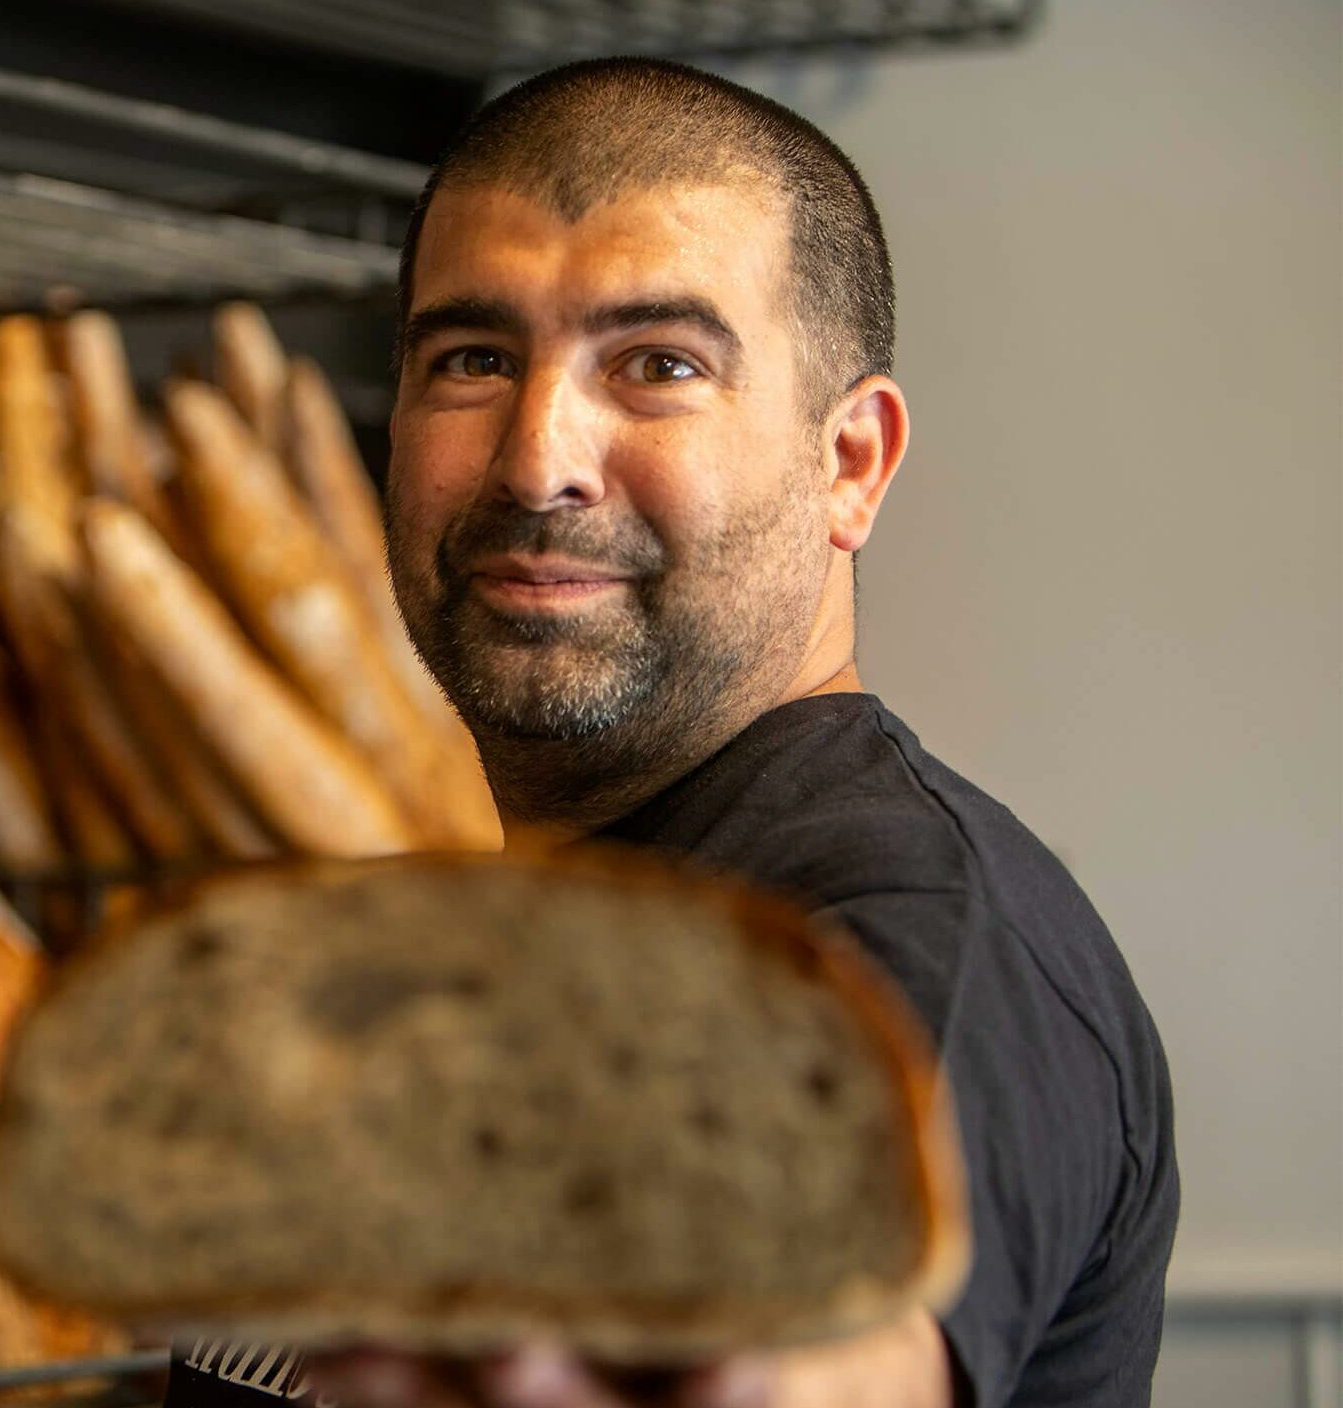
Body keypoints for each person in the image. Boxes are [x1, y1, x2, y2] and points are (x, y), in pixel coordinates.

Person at [338, 57, 1180, 1408]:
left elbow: (836, 1345)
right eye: (475, 359)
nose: (536, 455)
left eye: (659, 364)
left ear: (849, 465)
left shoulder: (915, 933)